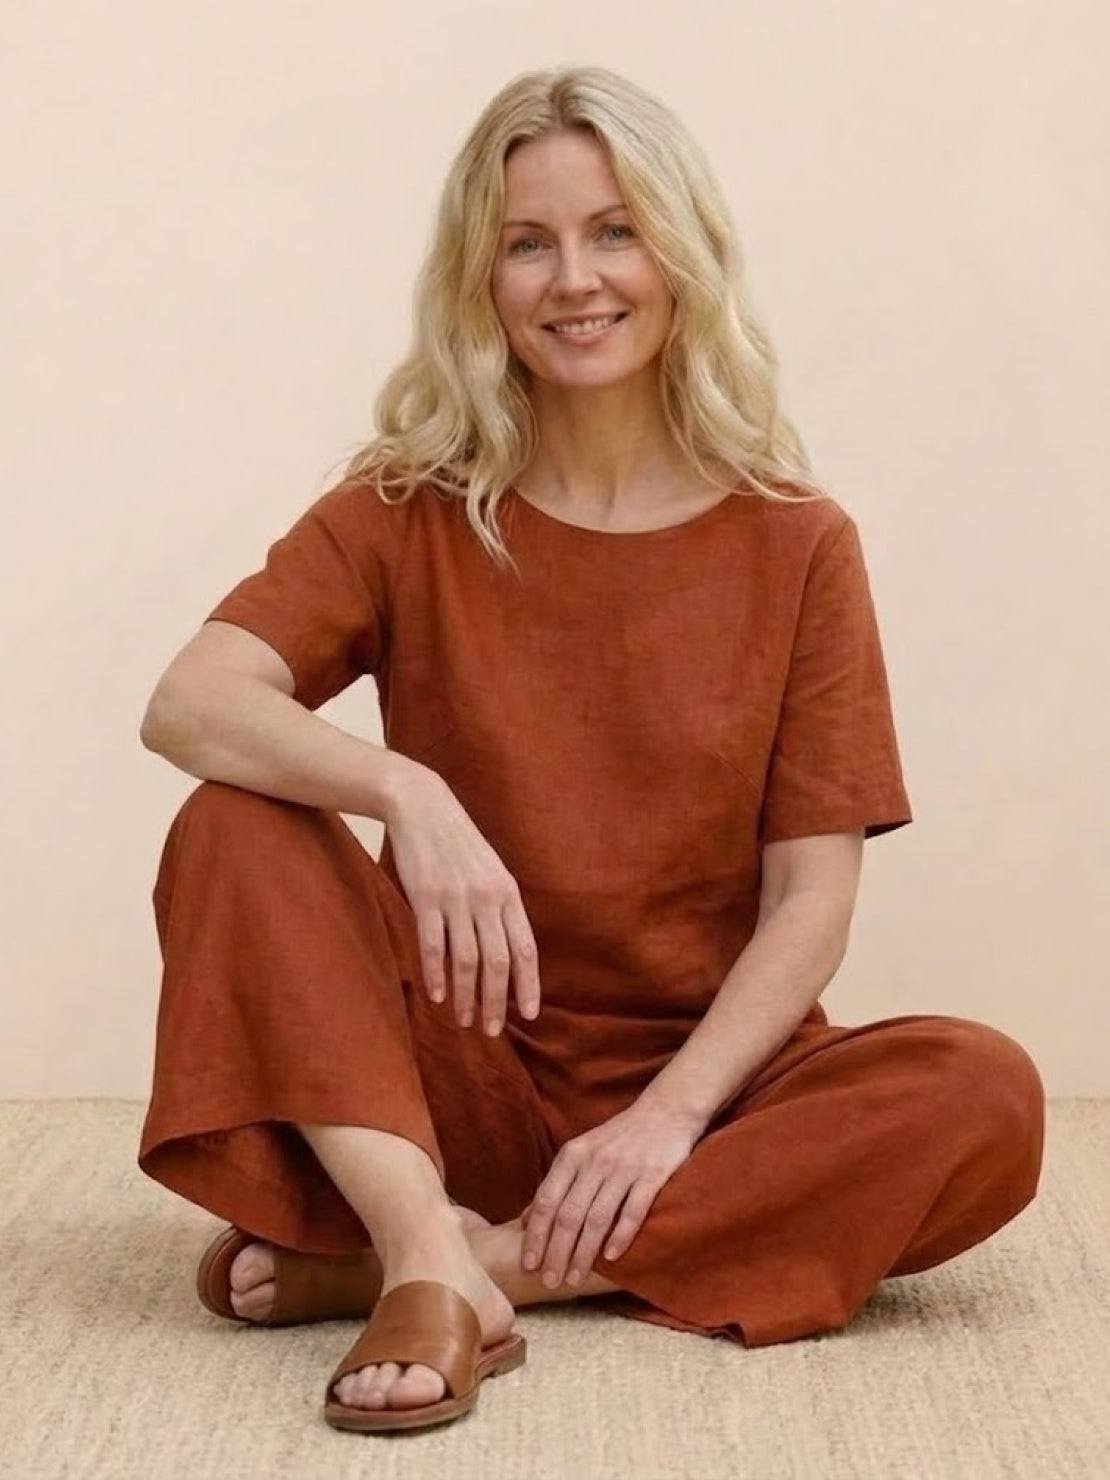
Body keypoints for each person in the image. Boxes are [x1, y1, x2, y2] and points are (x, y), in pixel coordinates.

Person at [137, 65, 1045, 1435]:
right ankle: (424, 1233)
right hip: (445, 1075)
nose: (576, 278)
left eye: (613, 230)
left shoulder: (797, 540)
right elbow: (192, 697)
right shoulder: (403, 508)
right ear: (480, 279)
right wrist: (402, 784)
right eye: (527, 241)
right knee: (235, 818)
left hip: (707, 1092)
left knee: (980, 1095)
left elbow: (813, 898)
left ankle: (443, 1271)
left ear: (679, 254)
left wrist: (666, 1122)